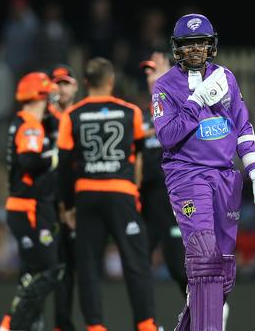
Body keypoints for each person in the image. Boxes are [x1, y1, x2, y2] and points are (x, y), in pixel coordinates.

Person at [152, 14, 255, 331]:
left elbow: (243, 126)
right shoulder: (164, 87)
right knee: (204, 256)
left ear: (211, 46)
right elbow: (167, 136)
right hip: (188, 177)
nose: (195, 49)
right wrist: (196, 101)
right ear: (177, 49)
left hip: (226, 178)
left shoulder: (227, 78)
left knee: (222, 268)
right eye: (188, 44)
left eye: (201, 43)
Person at [57, 57, 158, 331]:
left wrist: (67, 206)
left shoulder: (71, 115)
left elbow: (64, 166)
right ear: (111, 81)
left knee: (88, 265)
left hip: (86, 194)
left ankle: (95, 326)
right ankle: (145, 323)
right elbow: (140, 154)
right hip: (121, 192)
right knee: (135, 260)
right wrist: (135, 188)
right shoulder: (130, 112)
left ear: (86, 82)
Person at [0, 72, 63, 331]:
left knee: (28, 276)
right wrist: (56, 156)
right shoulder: (30, 125)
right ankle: (17, 325)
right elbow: (30, 161)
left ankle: (10, 325)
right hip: (30, 207)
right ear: (40, 97)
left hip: (24, 206)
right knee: (50, 270)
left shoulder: (25, 122)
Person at [139, 53, 188, 295]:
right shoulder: (140, 116)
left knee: (179, 267)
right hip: (146, 203)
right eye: (148, 71)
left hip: (173, 201)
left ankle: (208, 310)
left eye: (156, 70)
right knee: (137, 265)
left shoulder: (180, 108)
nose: (150, 75)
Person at [46, 64, 79, 331]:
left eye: (66, 83)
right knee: (51, 268)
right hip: (48, 201)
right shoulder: (45, 119)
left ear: (75, 86)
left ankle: (64, 324)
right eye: (57, 83)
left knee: (72, 268)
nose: (61, 88)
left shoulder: (81, 117)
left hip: (77, 201)